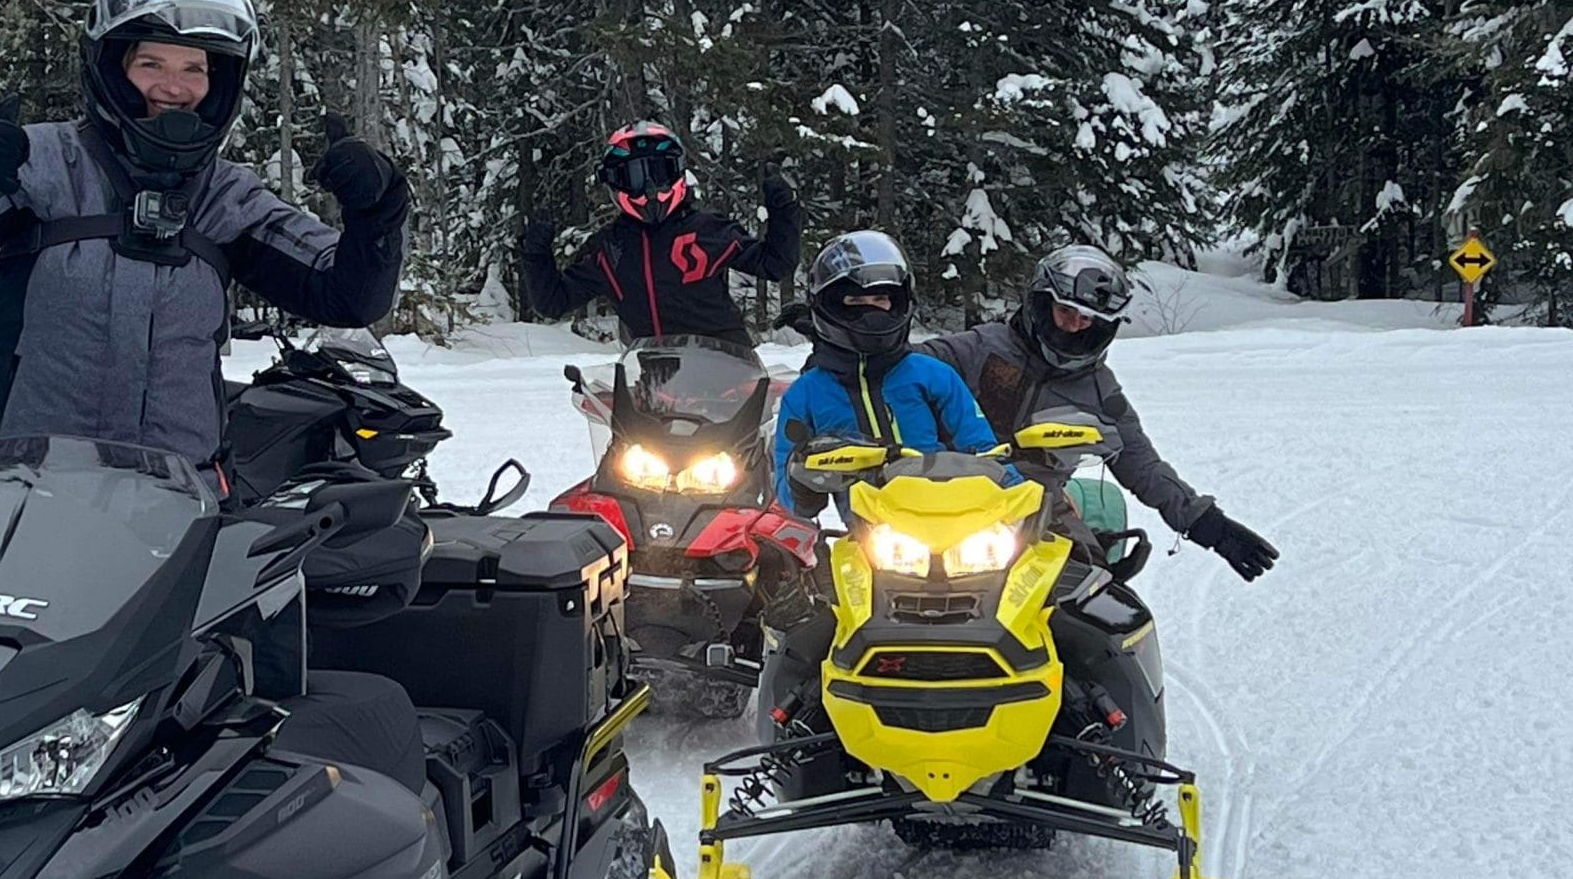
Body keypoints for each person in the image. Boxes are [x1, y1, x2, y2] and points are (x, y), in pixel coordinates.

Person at [0, 0, 408, 472]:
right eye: (151, 63)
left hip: (173, 503)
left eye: (193, 68)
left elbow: (347, 295)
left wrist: (377, 210)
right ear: (113, 67)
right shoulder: (41, 167)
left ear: (219, 82)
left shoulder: (225, 199)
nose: (173, 86)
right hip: (20, 491)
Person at [921, 245, 1278, 581]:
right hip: (944, 491)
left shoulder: (1100, 393)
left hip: (1037, 509)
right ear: (1041, 304)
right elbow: (904, 366)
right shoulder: (980, 348)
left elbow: (1143, 465)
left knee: (1095, 589)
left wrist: (1209, 526)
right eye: (1066, 313)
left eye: (1088, 320)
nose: (1075, 326)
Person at [770, 231, 1000, 512]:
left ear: (899, 300)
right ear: (830, 305)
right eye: (855, 301)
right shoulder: (805, 395)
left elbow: (986, 452)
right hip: (870, 538)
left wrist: (1020, 501)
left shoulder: (933, 376)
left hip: (956, 523)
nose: (871, 311)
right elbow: (789, 496)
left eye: (880, 298)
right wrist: (803, 480)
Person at [522, 122, 799, 345]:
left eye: (659, 172)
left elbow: (775, 263)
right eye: (635, 177)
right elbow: (553, 302)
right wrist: (536, 253)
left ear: (678, 171)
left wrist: (783, 209)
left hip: (725, 374)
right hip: (653, 386)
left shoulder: (707, 230)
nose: (651, 189)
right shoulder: (609, 250)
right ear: (615, 183)